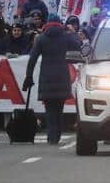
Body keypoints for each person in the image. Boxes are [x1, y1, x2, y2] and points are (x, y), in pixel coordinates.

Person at [23, 15, 81, 144]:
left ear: (47, 23)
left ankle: (51, 136)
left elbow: (32, 59)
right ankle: (57, 135)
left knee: (49, 109)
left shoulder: (41, 38)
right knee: (59, 108)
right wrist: (73, 33)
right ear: (60, 23)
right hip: (62, 76)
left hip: (46, 77)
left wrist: (29, 76)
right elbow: (78, 47)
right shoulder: (65, 37)